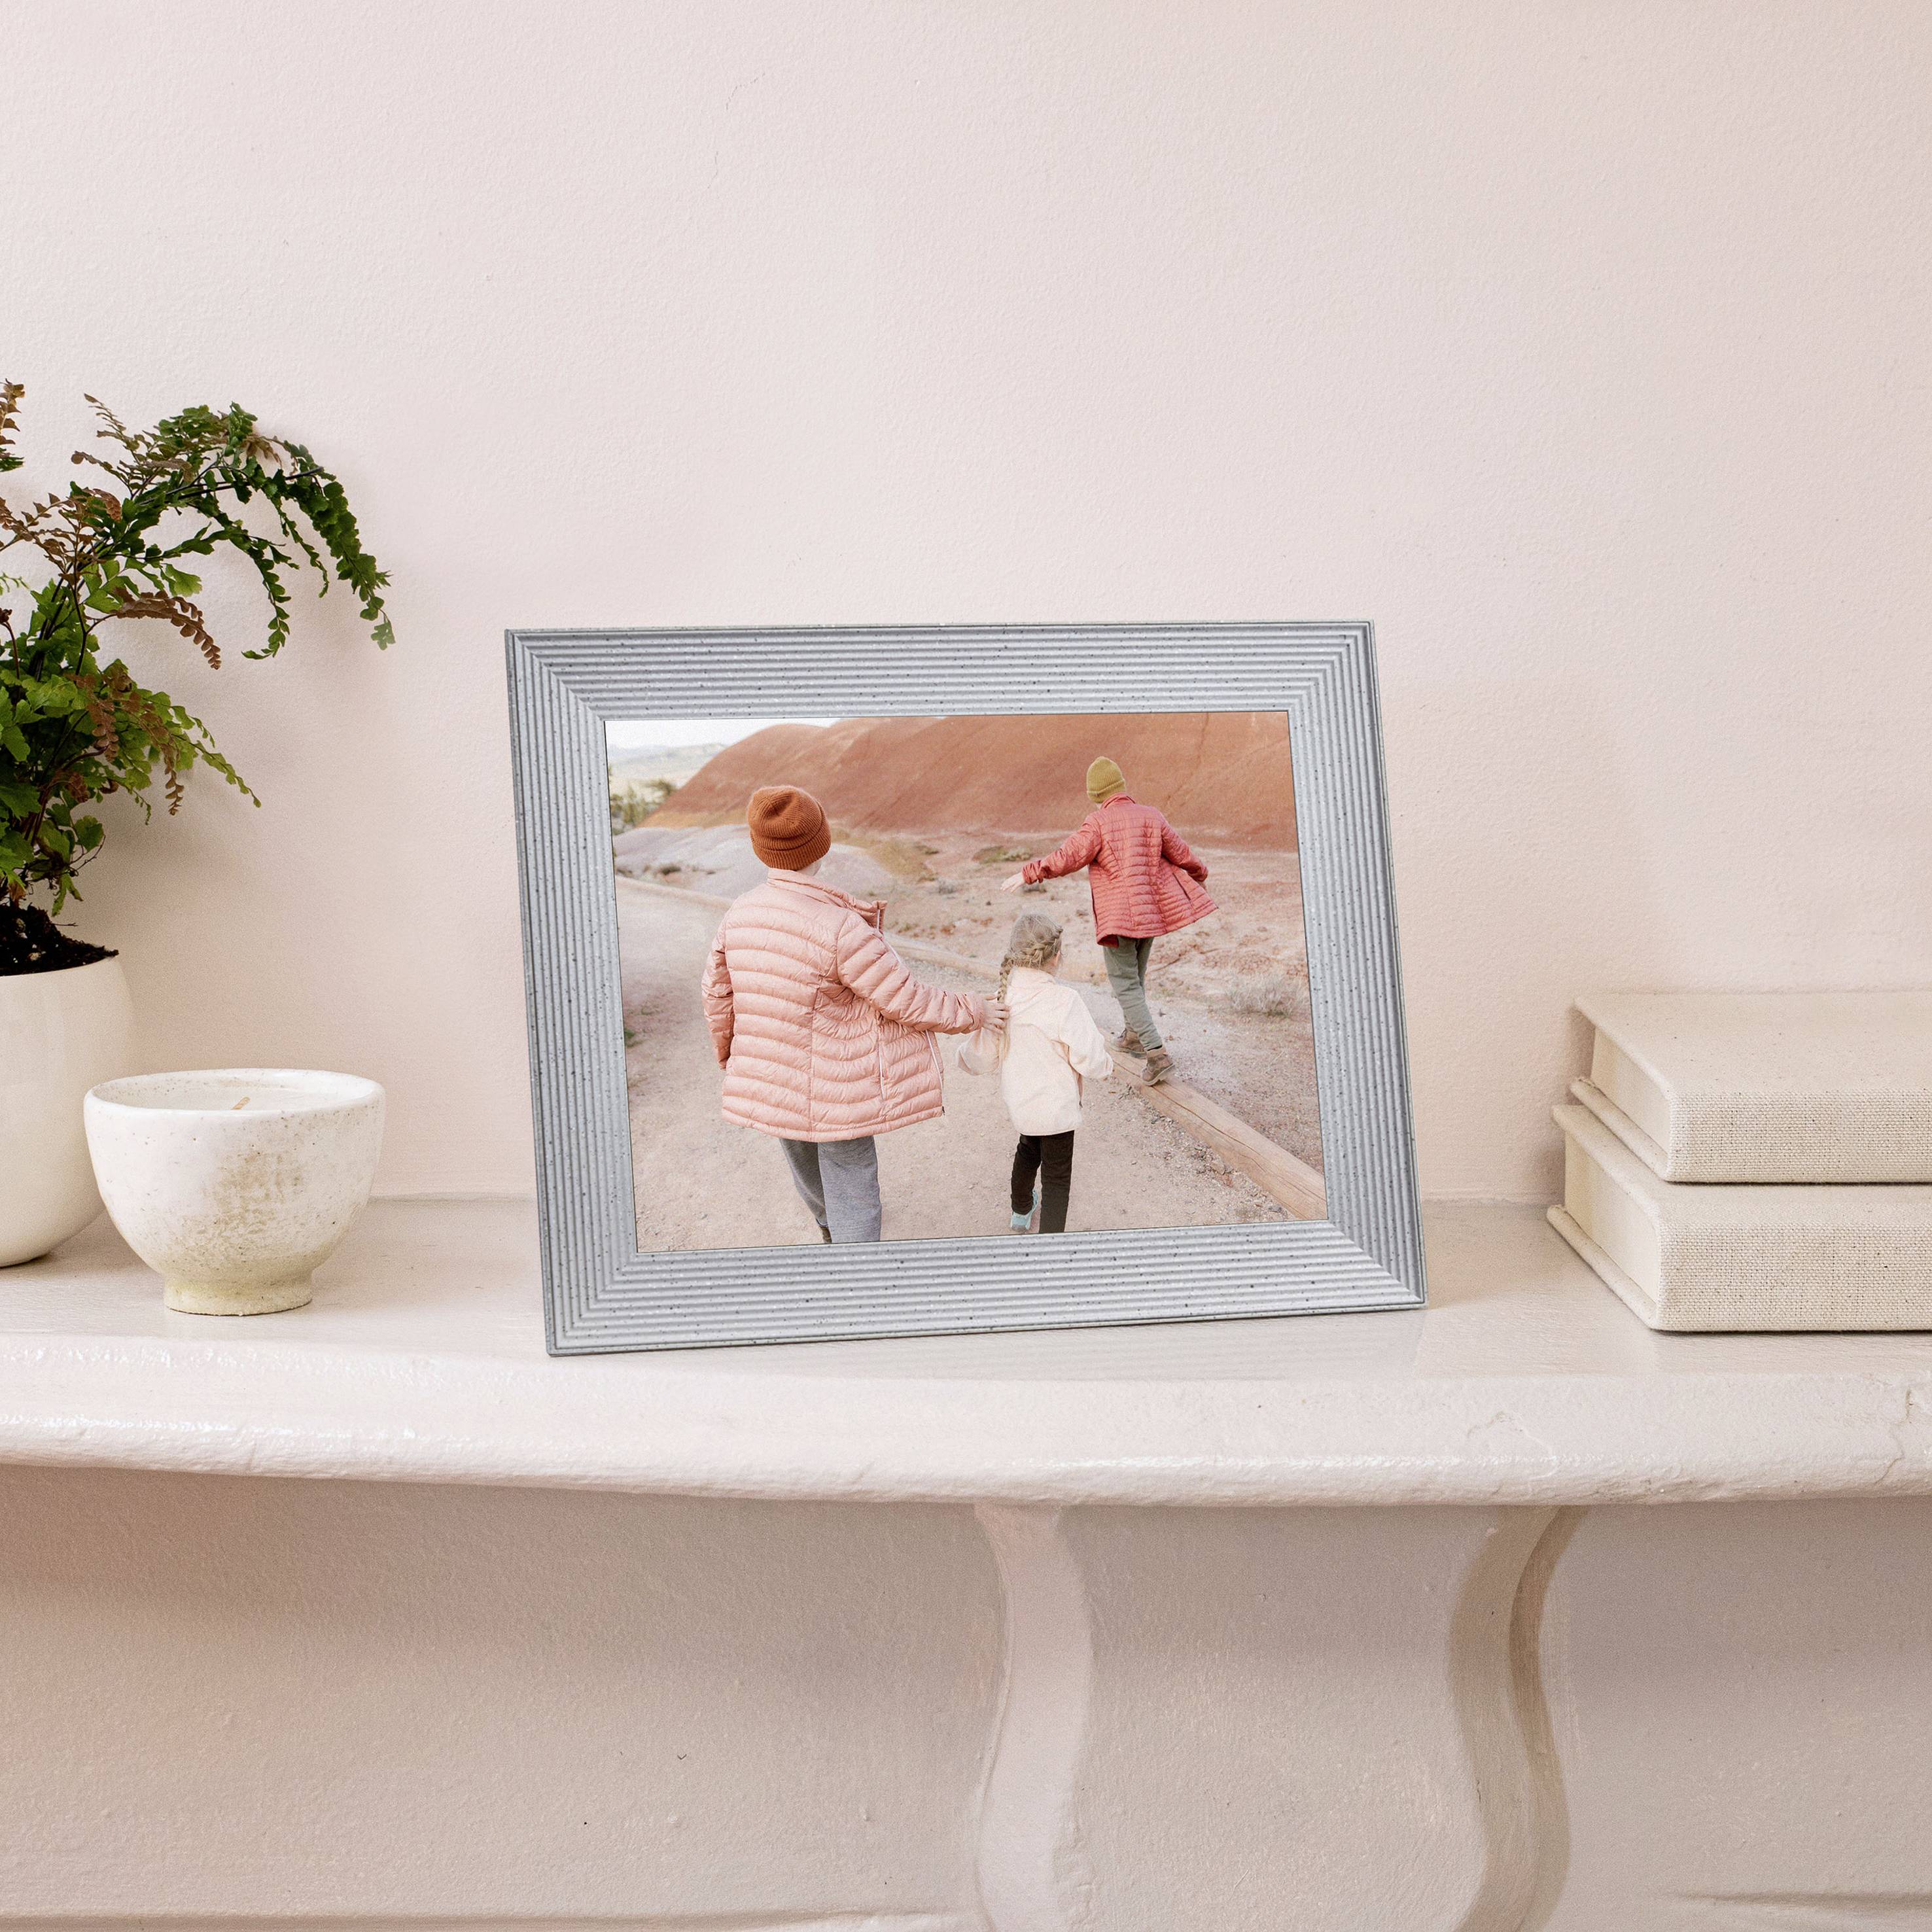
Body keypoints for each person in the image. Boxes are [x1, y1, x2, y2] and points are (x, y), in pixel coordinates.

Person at [701, 784, 1005, 1244]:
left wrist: (732, 1058)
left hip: (772, 1078)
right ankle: (858, 1275)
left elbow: (716, 994)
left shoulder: (738, 914)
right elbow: (906, 999)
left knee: (803, 1160)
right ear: (821, 842)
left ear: (759, 847)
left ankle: (829, 1231)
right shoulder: (840, 927)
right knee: (853, 1184)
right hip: (836, 1087)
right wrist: (974, 1009)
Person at [1001, 754, 1213, 1085]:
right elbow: (1183, 853)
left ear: (1096, 794)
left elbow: (1067, 857)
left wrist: (1029, 873)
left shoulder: (1098, 823)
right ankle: (1132, 1036)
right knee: (1136, 979)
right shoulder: (1151, 816)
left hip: (1120, 919)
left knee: (1125, 983)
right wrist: (1200, 874)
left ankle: (1156, 1054)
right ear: (1121, 787)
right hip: (1151, 915)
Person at [957, 912, 1114, 1234]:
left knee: (1028, 1151)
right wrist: (1106, 1067)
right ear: (1056, 957)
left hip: (1023, 1105)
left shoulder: (1003, 1000)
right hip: (1057, 1111)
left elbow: (980, 1059)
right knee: (1057, 1176)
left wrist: (963, 1055)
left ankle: (1021, 1210)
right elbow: (1089, 1058)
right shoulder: (1065, 1001)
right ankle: (1051, 1246)